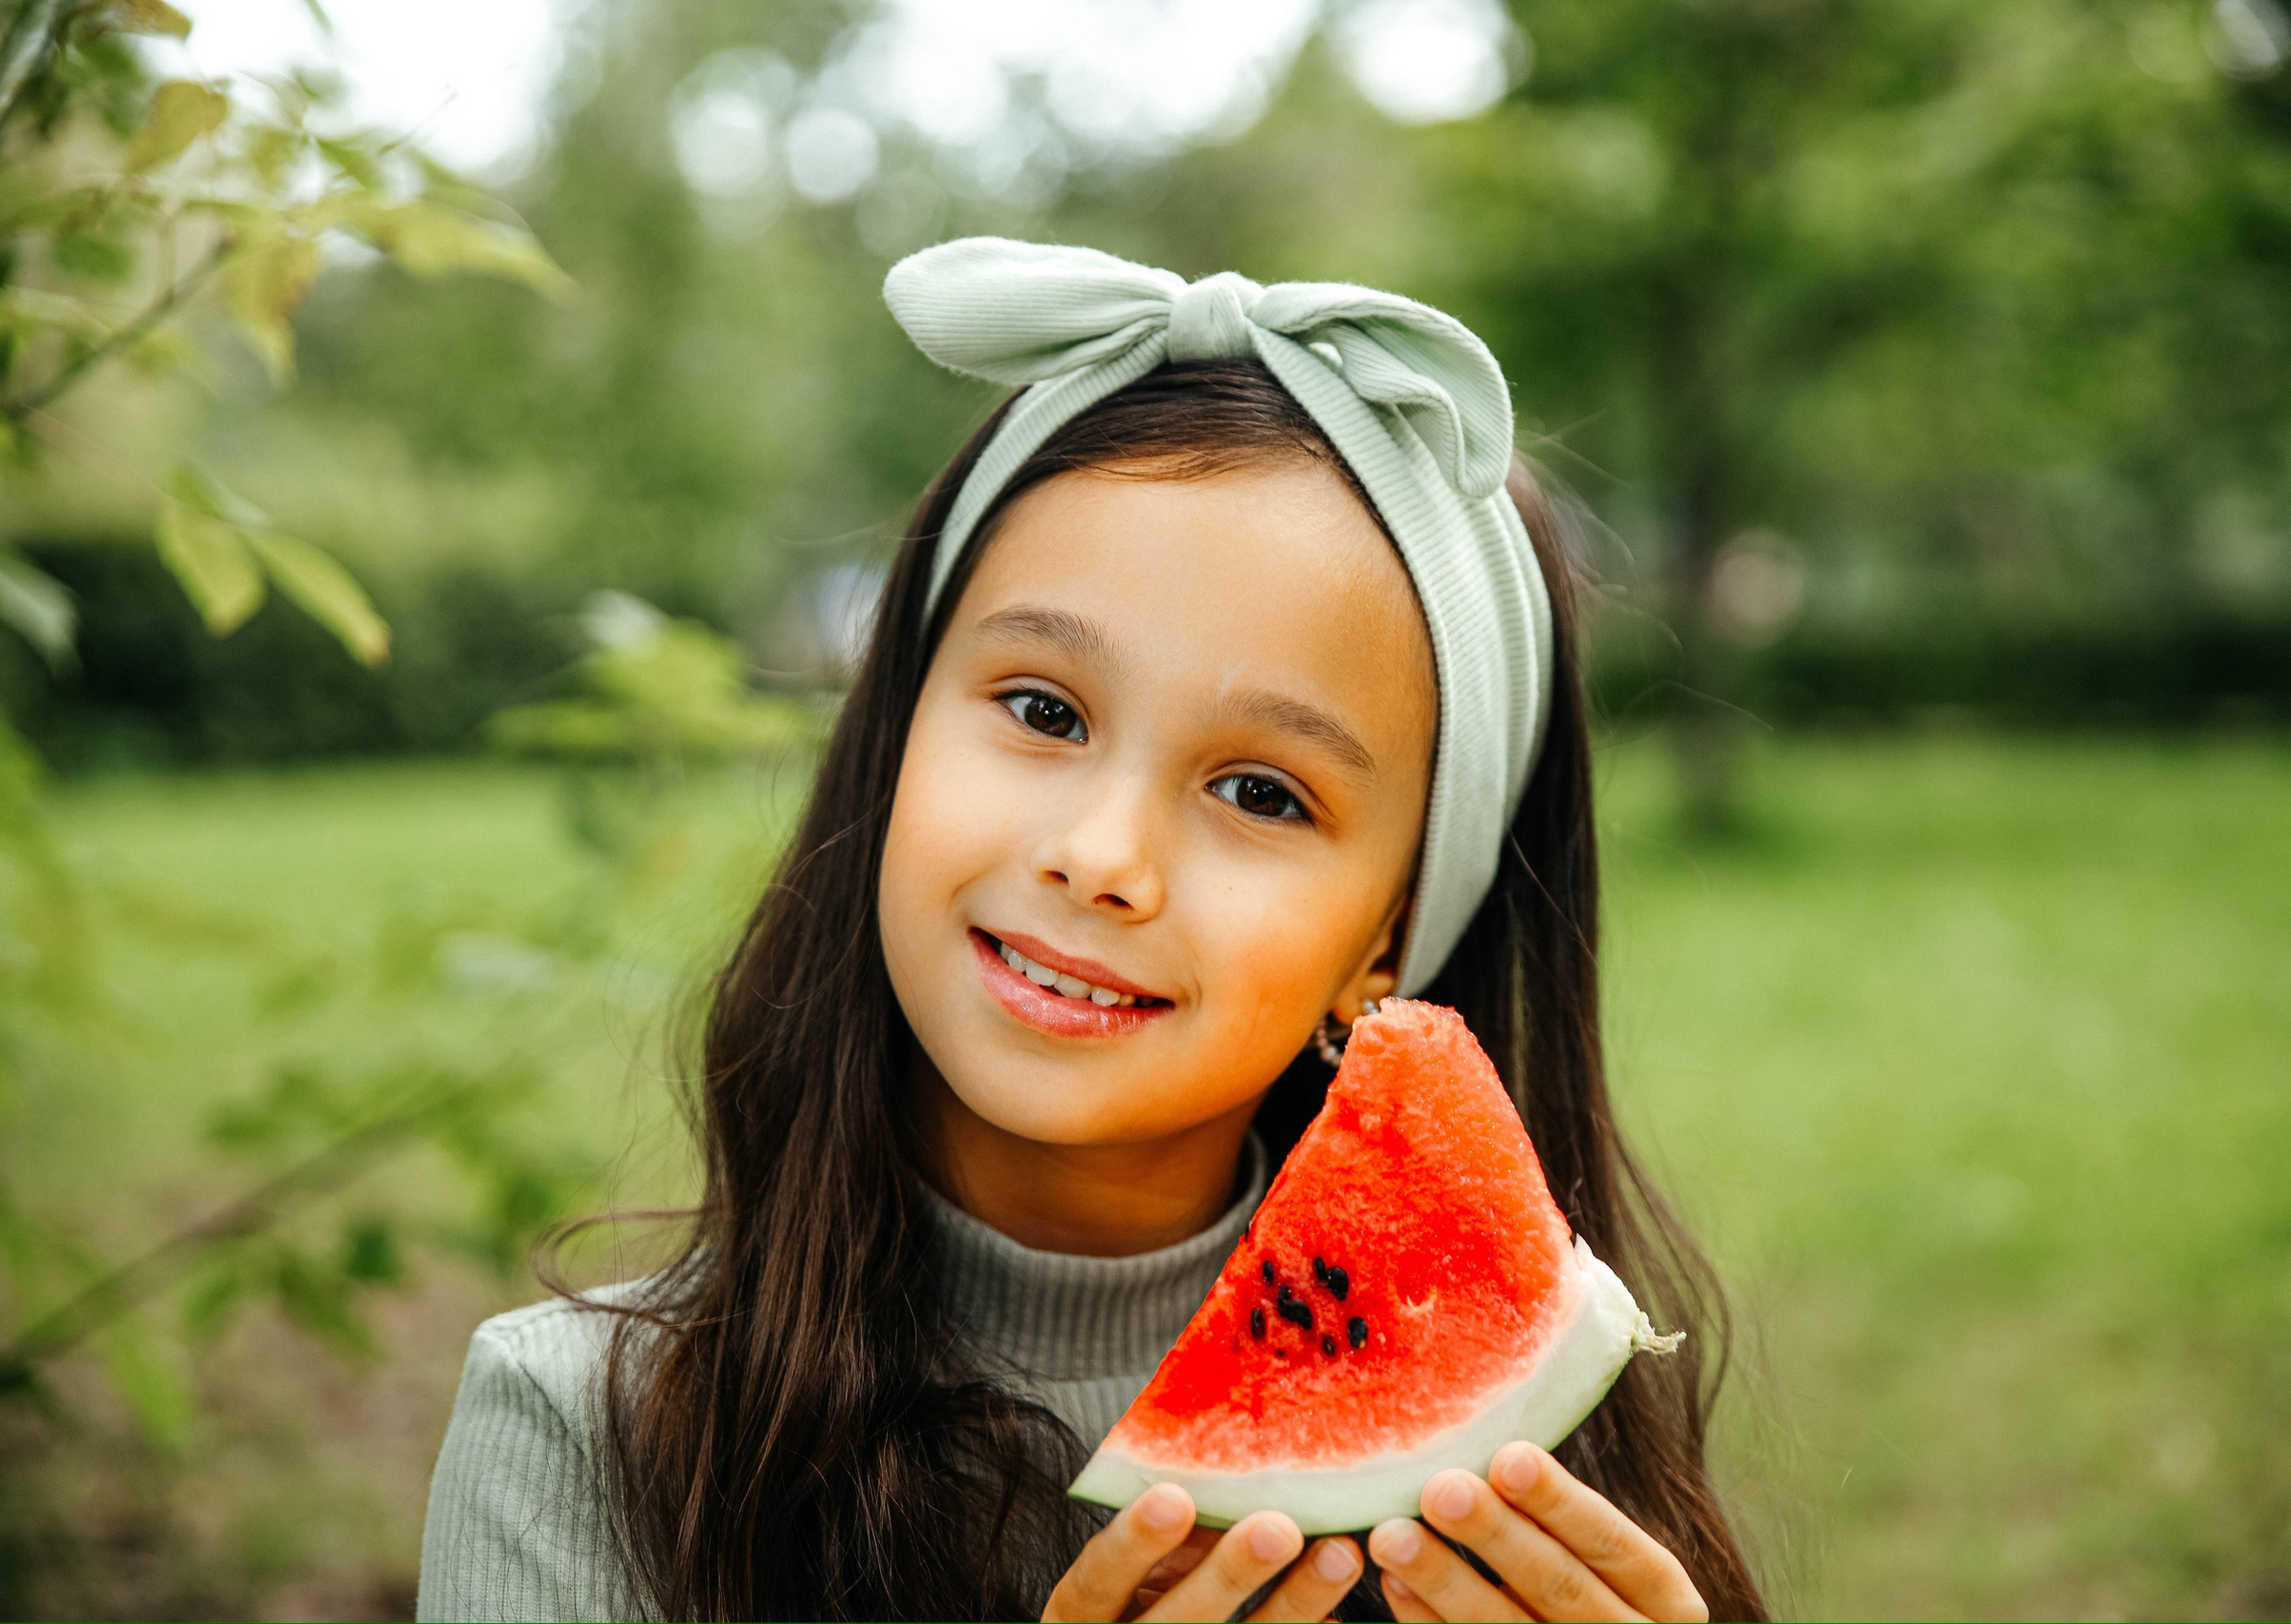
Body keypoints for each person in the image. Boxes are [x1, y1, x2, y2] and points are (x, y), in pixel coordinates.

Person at [417, 239, 1765, 1623]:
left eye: (1260, 793)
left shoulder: (1527, 1513)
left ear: (1389, 940)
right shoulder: (580, 1436)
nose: (1101, 858)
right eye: (1043, 711)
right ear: (894, 734)